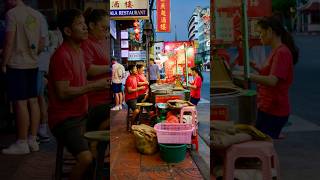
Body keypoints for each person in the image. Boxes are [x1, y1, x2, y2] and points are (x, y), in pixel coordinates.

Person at [47, 9, 108, 180]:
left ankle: (94, 147)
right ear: (67, 31)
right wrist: (94, 86)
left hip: (83, 113)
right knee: (85, 159)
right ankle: (91, 154)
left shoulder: (79, 51)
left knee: (117, 112)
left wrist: (99, 85)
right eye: (80, 24)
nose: (85, 28)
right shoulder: (62, 55)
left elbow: (81, 84)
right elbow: (63, 92)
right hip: (65, 120)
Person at [234, 16, 299, 139]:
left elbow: (272, 80)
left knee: (261, 142)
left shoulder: (282, 52)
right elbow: (269, 72)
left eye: (260, 33)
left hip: (274, 109)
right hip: (267, 106)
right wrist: (254, 66)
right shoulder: (276, 51)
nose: (259, 37)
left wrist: (247, 75)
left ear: (269, 31)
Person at [1, 0, 44, 155]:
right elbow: (41, 43)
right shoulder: (37, 15)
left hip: (17, 64)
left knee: (20, 103)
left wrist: (3, 63)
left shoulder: (12, 14)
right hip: (33, 63)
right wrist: (32, 55)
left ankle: (22, 142)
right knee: (33, 101)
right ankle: (33, 140)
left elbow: (9, 41)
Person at [82, 8, 111, 131]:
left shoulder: (102, 42)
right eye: (103, 27)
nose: (106, 31)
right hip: (95, 100)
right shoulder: (86, 43)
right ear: (91, 25)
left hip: (106, 96)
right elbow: (88, 69)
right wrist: (110, 68)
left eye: (107, 28)